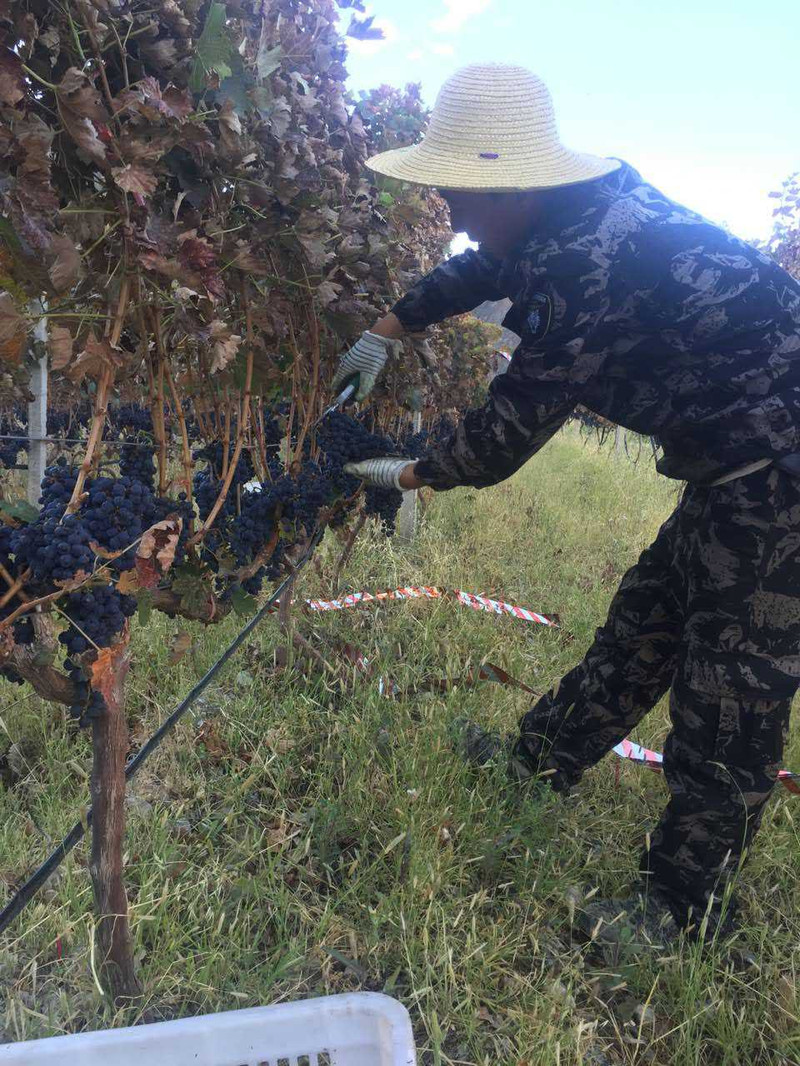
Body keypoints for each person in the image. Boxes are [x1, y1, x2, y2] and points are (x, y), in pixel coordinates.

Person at [334, 62, 800, 943]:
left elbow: (505, 436)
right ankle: (537, 763)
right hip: (742, 467)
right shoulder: (572, 212)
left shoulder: (591, 265)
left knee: (730, 692)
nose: (454, 214)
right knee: (645, 621)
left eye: (464, 196)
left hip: (784, 479)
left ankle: (682, 914)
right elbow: (480, 267)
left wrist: (406, 474)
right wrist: (388, 328)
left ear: (517, 183)